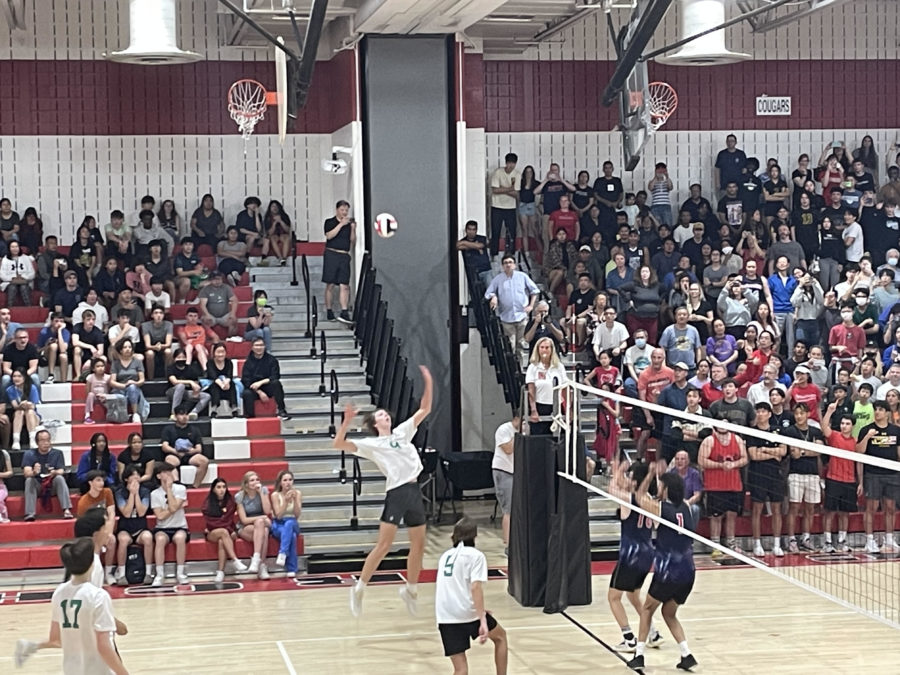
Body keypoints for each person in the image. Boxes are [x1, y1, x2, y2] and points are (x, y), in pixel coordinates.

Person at [333, 365, 432, 617]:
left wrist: (429, 382)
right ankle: (359, 588)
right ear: (375, 423)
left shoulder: (402, 432)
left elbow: (425, 408)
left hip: (414, 490)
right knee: (384, 546)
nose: (384, 416)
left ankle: (410, 589)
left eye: (385, 414)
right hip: (396, 493)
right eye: (379, 415)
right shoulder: (372, 444)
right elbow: (339, 443)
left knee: (418, 546)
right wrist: (345, 423)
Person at [13, 538, 129, 674]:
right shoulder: (98, 596)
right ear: (92, 563)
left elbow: (56, 639)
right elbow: (103, 646)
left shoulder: (60, 592)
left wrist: (34, 646)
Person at [626, 467, 698, 672]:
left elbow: (639, 496)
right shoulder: (686, 506)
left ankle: (639, 656)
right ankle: (686, 654)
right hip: (688, 571)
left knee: (647, 609)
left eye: (661, 485)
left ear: (666, 488)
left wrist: (648, 474)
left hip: (669, 571)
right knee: (668, 612)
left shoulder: (661, 509)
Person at [435, 516, 509, 675]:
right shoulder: (475, 555)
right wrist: (481, 618)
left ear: (453, 536)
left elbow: (452, 588)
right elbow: (475, 587)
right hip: (468, 615)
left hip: (445, 616)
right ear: (474, 537)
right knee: (501, 637)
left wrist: (479, 608)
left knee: (460, 670)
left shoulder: (445, 557)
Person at [605, 460, 662, 653]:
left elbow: (611, 488)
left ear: (635, 481)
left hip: (631, 555)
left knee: (613, 598)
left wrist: (618, 470)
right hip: (647, 555)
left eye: (630, 476)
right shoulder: (653, 503)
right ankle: (653, 632)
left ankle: (628, 638)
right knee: (633, 595)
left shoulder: (629, 500)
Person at [698, 422, 748, 556]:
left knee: (732, 514)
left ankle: (731, 543)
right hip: (715, 485)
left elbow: (745, 459)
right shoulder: (709, 440)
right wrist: (721, 465)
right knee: (716, 516)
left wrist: (733, 465)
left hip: (734, 484)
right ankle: (715, 545)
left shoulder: (736, 439)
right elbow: (702, 461)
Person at [857, 400, 900, 553]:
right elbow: (859, 451)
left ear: (887, 412)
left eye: (881, 409)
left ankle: (889, 539)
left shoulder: (896, 431)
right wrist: (868, 437)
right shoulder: (866, 430)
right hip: (873, 474)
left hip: (892, 474)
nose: (877, 412)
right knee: (871, 508)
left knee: (890, 507)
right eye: (876, 409)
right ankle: (869, 540)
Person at [781, 403, 825, 552]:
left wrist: (804, 452)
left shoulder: (815, 431)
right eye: (796, 413)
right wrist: (810, 448)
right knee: (794, 507)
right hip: (795, 474)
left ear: (807, 414)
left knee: (810, 508)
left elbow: (818, 451)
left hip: (813, 474)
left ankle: (806, 538)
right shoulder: (789, 431)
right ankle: (791, 539)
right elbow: (794, 453)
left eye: (801, 413)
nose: (799, 416)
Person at [819, 403, 861, 554]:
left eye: (847, 424)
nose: (844, 426)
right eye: (842, 423)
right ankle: (827, 542)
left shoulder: (855, 442)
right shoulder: (835, 436)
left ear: (852, 426)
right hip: (833, 479)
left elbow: (860, 462)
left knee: (845, 513)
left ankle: (842, 541)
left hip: (849, 481)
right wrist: (829, 411)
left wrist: (860, 482)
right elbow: (824, 428)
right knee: (829, 512)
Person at [484, 254, 539, 352]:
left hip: (522, 315)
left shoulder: (522, 276)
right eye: (505, 263)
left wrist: (531, 306)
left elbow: (534, 291)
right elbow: (488, 293)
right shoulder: (498, 279)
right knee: (510, 346)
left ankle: (520, 367)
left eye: (510, 262)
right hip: (506, 317)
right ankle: (512, 367)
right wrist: (494, 296)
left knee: (521, 345)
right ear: (502, 266)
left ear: (515, 265)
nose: (508, 265)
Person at [202, 477, 248, 584]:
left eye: (224, 487)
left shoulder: (231, 501)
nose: (222, 490)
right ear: (213, 489)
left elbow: (229, 519)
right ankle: (235, 560)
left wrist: (228, 529)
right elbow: (211, 523)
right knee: (223, 532)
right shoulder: (207, 503)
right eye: (218, 487)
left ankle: (220, 572)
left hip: (229, 530)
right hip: (212, 532)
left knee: (222, 539)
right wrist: (227, 529)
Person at [150, 462, 190, 586]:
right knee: (160, 539)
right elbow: (160, 516)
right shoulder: (154, 494)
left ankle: (180, 572)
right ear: (158, 476)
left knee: (180, 538)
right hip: (163, 527)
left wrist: (169, 490)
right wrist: (175, 508)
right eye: (165, 472)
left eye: (170, 472)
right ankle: (159, 574)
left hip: (180, 526)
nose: (169, 475)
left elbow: (172, 508)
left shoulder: (180, 489)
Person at [115, 463, 154, 585]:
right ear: (126, 478)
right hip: (125, 528)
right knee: (123, 540)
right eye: (132, 475)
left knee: (148, 538)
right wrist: (131, 494)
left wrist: (136, 493)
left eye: (138, 475)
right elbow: (126, 513)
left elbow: (142, 512)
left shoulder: (145, 492)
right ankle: (121, 574)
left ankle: (148, 572)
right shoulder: (119, 492)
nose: (136, 477)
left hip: (140, 528)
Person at [22, 428, 72, 521]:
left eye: (48, 440)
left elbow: (61, 470)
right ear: (37, 442)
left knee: (60, 478)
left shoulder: (57, 453)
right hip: (38, 485)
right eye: (42, 440)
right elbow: (26, 472)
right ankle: (30, 513)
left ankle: (66, 510)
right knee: (29, 480)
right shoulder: (29, 454)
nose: (46, 443)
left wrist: (55, 472)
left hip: (51, 484)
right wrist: (34, 472)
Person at [525, 337, 568, 436]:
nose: (544, 350)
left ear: (552, 349)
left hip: (557, 406)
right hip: (541, 406)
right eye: (542, 347)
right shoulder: (533, 367)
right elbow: (531, 390)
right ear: (538, 349)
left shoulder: (559, 366)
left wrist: (568, 409)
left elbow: (565, 388)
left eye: (547, 347)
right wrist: (533, 410)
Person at [241, 337, 291, 420]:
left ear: (265, 346)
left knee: (276, 383)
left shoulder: (272, 360)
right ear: (252, 347)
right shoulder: (248, 362)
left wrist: (261, 382)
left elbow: (275, 376)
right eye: (256, 345)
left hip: (268, 386)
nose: (259, 348)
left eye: (261, 345)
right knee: (247, 393)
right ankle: (251, 417)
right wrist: (259, 392)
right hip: (254, 389)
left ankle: (282, 411)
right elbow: (246, 380)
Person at [491, 411, 520, 556]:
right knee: (508, 509)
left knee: (515, 508)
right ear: (516, 418)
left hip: (516, 472)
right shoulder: (504, 430)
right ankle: (508, 545)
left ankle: (516, 541)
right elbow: (508, 449)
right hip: (504, 472)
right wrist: (519, 435)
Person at [323, 200, 356, 324]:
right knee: (330, 284)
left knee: (345, 285)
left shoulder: (349, 224)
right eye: (342, 210)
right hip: (331, 253)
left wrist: (352, 229)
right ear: (337, 210)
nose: (344, 212)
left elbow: (352, 241)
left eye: (346, 210)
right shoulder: (330, 222)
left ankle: (344, 311)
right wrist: (341, 224)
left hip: (344, 254)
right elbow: (329, 236)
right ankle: (329, 310)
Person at [235, 470, 273, 580]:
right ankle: (261, 564)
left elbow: (267, 511)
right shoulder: (240, 496)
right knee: (261, 524)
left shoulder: (264, 491)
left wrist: (261, 493)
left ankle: (257, 561)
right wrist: (261, 518)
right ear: (246, 484)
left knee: (264, 530)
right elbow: (244, 519)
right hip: (246, 527)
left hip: (261, 526)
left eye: (257, 480)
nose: (255, 482)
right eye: (252, 480)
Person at [161, 404, 209, 488]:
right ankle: (177, 484)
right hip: (175, 454)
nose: (185, 417)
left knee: (204, 461)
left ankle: (195, 486)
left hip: (190, 455)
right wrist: (175, 451)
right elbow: (165, 446)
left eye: (186, 414)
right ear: (175, 416)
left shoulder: (194, 430)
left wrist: (190, 451)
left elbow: (199, 448)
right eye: (181, 414)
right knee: (169, 461)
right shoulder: (168, 429)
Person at [270, 470, 303, 577]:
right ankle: (292, 568)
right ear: (280, 482)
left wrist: (295, 500)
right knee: (292, 536)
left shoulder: (297, 493)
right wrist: (285, 501)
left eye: (290, 480)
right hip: (279, 523)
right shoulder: (275, 495)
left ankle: (283, 553)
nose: (288, 483)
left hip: (292, 521)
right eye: (285, 480)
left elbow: (297, 515)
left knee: (289, 523)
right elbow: (278, 515)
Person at [109, 338, 149, 423]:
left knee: (132, 388)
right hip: (120, 388)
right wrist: (124, 386)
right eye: (125, 347)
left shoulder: (137, 362)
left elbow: (142, 380)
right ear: (120, 350)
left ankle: (135, 414)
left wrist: (134, 383)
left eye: (129, 347)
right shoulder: (116, 363)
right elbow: (112, 381)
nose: (128, 349)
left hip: (134, 388)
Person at [166, 347, 211, 419]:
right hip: (173, 391)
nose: (181, 359)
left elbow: (196, 382)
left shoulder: (190, 368)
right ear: (174, 359)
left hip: (186, 392)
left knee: (206, 396)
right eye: (179, 357)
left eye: (183, 357)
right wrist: (190, 382)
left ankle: (193, 413)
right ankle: (174, 413)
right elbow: (174, 381)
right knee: (180, 386)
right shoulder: (171, 368)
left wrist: (196, 389)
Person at [6, 367, 41, 450]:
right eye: (14, 376)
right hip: (19, 415)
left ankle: (32, 440)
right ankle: (16, 441)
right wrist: (21, 405)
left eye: (19, 376)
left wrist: (27, 404)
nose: (16, 378)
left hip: (33, 415)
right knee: (19, 412)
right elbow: (15, 406)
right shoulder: (10, 390)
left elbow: (33, 406)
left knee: (30, 412)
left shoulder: (32, 388)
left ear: (24, 377)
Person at [177, 306, 219, 371]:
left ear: (198, 317)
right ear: (186, 317)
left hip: (201, 350)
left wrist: (213, 351)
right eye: (190, 316)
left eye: (195, 316)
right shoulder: (182, 328)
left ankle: (206, 370)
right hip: (187, 351)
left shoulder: (203, 327)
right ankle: (187, 368)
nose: (193, 318)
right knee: (189, 346)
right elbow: (185, 341)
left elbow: (215, 337)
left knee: (198, 346)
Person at [198, 271, 239, 337]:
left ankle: (230, 339)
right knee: (205, 320)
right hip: (211, 315)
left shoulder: (226, 288)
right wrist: (207, 314)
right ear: (211, 280)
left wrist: (233, 314)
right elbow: (202, 305)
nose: (217, 281)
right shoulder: (205, 289)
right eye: (215, 279)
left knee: (233, 320)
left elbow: (234, 300)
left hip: (225, 315)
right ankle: (209, 339)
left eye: (219, 279)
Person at [668, 450, 703, 522]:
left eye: (682, 459)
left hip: (689, 502)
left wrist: (687, 503)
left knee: (695, 509)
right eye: (677, 459)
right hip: (674, 503)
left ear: (688, 461)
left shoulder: (694, 474)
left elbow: (697, 496)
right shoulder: (671, 473)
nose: (679, 461)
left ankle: (691, 531)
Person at [207, 342, 240, 417]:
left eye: (222, 352)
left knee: (232, 384)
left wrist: (226, 383)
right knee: (215, 386)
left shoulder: (229, 362)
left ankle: (234, 408)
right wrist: (222, 385)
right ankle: (214, 409)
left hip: (226, 384)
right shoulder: (210, 363)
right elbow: (213, 376)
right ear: (214, 353)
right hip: (214, 385)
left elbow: (229, 376)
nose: (220, 354)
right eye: (218, 352)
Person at [141, 304, 174, 379]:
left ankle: (168, 377)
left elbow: (168, 344)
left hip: (164, 347)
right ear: (152, 315)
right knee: (149, 353)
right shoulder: (145, 325)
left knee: (168, 351)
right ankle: (150, 379)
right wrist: (155, 347)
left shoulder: (169, 324)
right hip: (151, 348)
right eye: (156, 313)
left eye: (161, 313)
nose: (158, 315)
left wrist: (160, 346)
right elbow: (147, 345)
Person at [37, 312, 70, 383]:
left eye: (61, 321)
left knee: (63, 356)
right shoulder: (44, 332)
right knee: (53, 346)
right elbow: (38, 350)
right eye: (56, 321)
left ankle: (63, 381)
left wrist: (59, 332)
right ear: (52, 322)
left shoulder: (66, 332)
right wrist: (47, 345)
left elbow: (63, 350)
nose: (59, 323)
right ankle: (51, 375)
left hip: (59, 355)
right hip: (46, 355)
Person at [0, 240, 35, 306]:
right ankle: (9, 308)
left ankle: (29, 307)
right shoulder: (5, 259)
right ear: (9, 248)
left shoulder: (26, 258)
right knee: (12, 287)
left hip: (24, 282)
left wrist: (23, 277)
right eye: (12, 247)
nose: (15, 249)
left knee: (23, 287)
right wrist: (13, 278)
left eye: (16, 247)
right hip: (9, 282)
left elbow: (32, 273)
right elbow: (2, 275)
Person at [263, 200, 293, 266]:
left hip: (283, 234)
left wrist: (281, 221)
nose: (275, 208)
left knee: (286, 238)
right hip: (274, 235)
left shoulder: (284, 216)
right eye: (273, 206)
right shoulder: (267, 218)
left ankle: (284, 259)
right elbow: (269, 233)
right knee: (273, 238)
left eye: (276, 206)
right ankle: (280, 258)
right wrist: (274, 223)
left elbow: (287, 230)